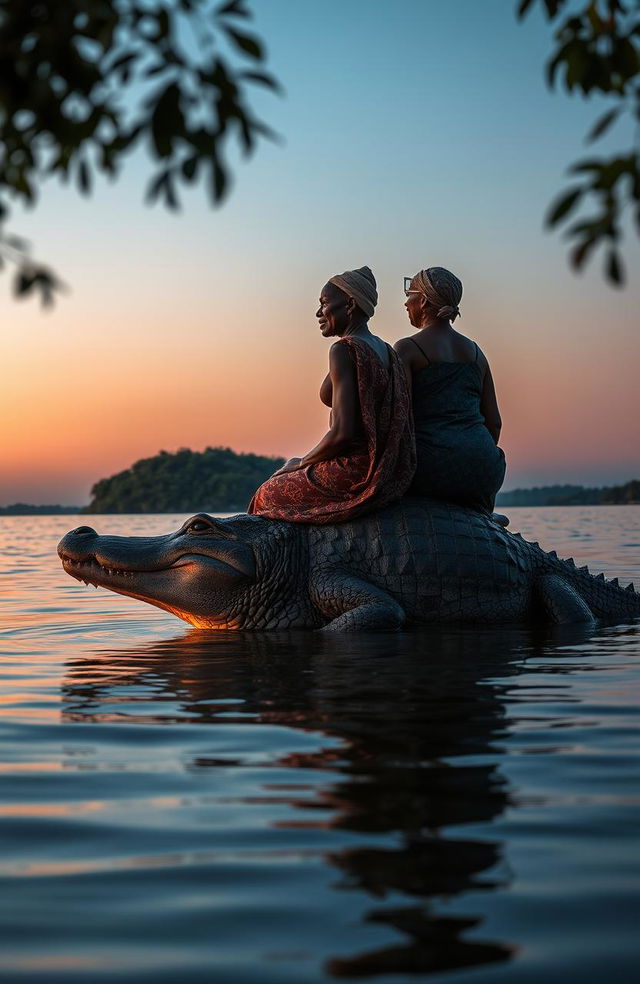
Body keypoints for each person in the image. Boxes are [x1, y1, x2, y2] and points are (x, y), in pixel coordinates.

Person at [248, 266, 416, 524]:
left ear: (349, 305)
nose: (318, 313)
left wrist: (302, 463)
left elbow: (343, 433)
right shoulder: (386, 351)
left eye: (324, 303)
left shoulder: (344, 349)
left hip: (355, 471)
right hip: (384, 470)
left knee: (265, 493)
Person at [394, 266, 506, 514]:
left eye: (409, 293)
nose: (405, 302)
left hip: (430, 465)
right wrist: (472, 456)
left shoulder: (407, 348)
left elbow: (399, 419)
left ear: (422, 301)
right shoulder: (477, 353)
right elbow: (494, 423)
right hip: (484, 467)